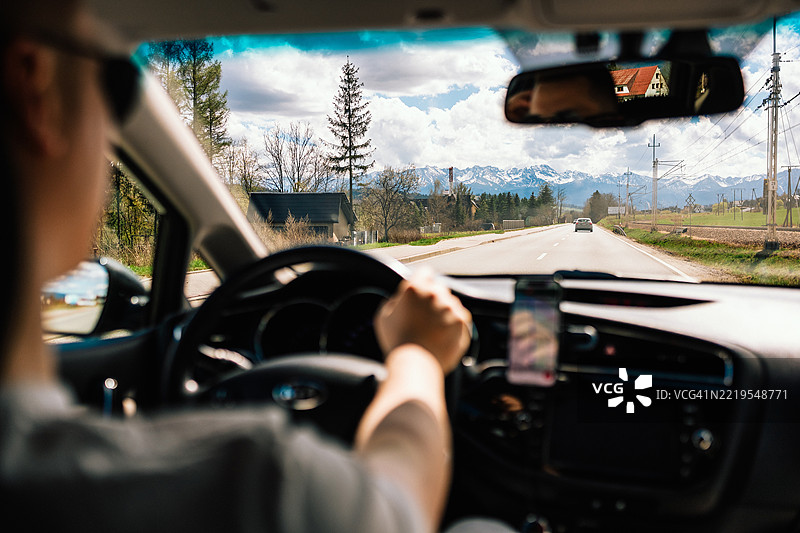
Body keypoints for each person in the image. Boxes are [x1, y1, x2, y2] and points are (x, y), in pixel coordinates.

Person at [0, 1, 515, 531]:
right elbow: (401, 507)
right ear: (34, 88)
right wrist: (418, 352)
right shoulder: (255, 484)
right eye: (115, 90)